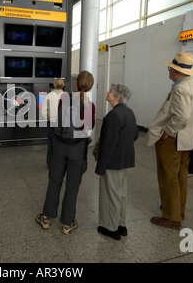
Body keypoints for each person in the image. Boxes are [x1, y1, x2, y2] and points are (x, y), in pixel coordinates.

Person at [145, 52, 193, 229]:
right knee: (181, 176)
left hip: (173, 141)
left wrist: (167, 132)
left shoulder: (180, 88)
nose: (168, 70)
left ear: (177, 71)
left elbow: (181, 117)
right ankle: (179, 209)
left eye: (170, 68)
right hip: (187, 140)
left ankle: (171, 217)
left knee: (168, 177)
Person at [36, 71, 95, 235]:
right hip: (77, 149)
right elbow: (89, 127)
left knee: (54, 181)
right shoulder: (90, 105)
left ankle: (46, 217)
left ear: (75, 83)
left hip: (60, 146)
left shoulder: (64, 98)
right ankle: (67, 223)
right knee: (72, 185)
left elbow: (59, 121)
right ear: (90, 87)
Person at [95, 84, 139, 240]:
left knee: (110, 195)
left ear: (117, 97)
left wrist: (100, 169)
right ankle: (121, 225)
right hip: (125, 160)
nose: (107, 92)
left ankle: (110, 228)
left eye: (111, 91)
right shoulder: (129, 112)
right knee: (121, 194)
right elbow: (135, 135)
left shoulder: (113, 115)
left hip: (112, 162)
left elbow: (108, 144)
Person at [41, 78, 66, 168]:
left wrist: (48, 118)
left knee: (51, 143)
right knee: (62, 144)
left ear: (54, 85)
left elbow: (43, 110)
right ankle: (61, 163)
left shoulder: (49, 95)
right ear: (63, 85)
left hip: (52, 123)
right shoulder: (66, 95)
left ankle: (50, 163)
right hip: (63, 124)